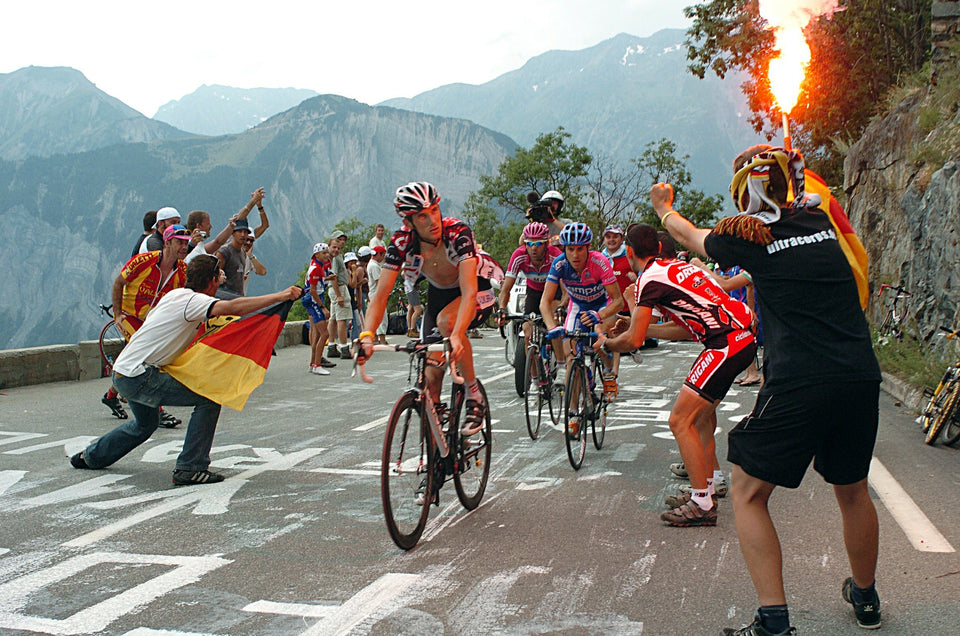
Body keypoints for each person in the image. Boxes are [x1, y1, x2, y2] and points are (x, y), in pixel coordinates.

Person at [653, 146, 882, 634]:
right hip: (859, 374)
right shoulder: (822, 225)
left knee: (748, 491)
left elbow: (688, 236)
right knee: (853, 490)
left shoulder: (752, 237)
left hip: (800, 380)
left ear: (746, 194)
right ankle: (866, 599)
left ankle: (773, 622)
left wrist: (664, 207)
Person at [71, 255, 302, 485]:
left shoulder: (174, 295)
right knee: (209, 398)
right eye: (218, 277)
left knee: (145, 424)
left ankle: (91, 456)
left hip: (123, 371)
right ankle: (190, 468)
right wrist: (281, 295)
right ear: (212, 280)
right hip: (140, 375)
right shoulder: (194, 302)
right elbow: (233, 307)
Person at [595, 223, 755, 528]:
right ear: (657, 248)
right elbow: (685, 328)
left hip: (725, 345)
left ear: (629, 252)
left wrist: (607, 343)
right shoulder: (676, 268)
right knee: (701, 418)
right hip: (739, 339)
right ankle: (706, 489)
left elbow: (634, 341)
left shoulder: (648, 279)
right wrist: (636, 326)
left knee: (679, 420)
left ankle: (702, 504)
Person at [358, 181, 501, 438]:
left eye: (435, 210)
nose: (433, 220)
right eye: (423, 216)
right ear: (409, 223)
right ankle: (438, 456)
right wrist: (367, 335)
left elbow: (469, 293)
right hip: (440, 294)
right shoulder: (402, 242)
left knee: (448, 323)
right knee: (431, 375)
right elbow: (380, 296)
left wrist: (457, 335)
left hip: (475, 291)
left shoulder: (458, 232)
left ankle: (473, 394)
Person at [102, 224, 193, 425]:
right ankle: (157, 410)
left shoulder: (183, 270)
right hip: (131, 316)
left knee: (138, 357)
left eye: (186, 243)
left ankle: (110, 396)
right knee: (148, 356)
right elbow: (118, 283)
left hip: (153, 321)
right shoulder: (143, 262)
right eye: (179, 242)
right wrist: (118, 314)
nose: (184, 247)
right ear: (167, 242)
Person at [540, 222, 624, 434]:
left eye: (580, 249)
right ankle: (574, 412)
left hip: (602, 305)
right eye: (570, 249)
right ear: (564, 249)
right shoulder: (559, 265)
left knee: (598, 339)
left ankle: (607, 371)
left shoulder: (600, 262)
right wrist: (552, 328)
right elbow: (545, 302)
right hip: (577, 305)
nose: (575, 254)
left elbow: (618, 301)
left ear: (588, 248)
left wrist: (600, 315)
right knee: (571, 358)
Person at [496, 221, 564, 378]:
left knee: (553, 323)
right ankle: (534, 381)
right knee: (527, 334)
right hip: (533, 292)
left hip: (554, 292)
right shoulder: (519, 256)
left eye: (539, 243)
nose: (534, 248)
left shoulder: (555, 256)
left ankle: (561, 366)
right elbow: (506, 289)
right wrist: (501, 309)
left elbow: (566, 287)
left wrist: (562, 305)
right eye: (530, 243)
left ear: (547, 243)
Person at [302, 243, 334, 375]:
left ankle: (312, 363)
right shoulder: (315, 268)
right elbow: (313, 290)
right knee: (324, 333)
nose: (327, 255)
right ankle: (317, 364)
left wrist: (327, 278)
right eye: (324, 253)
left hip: (314, 298)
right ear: (317, 255)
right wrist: (323, 307)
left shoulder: (317, 266)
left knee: (317, 334)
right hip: (314, 300)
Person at [325, 235, 352, 359]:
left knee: (333, 318)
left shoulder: (334, 257)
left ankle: (331, 345)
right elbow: (334, 276)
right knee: (342, 319)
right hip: (339, 288)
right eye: (339, 240)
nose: (342, 242)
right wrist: (339, 295)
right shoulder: (336, 258)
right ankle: (344, 347)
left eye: (343, 240)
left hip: (333, 289)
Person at [365, 245, 389, 344]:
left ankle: (374, 337)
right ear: (379, 254)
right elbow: (379, 282)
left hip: (373, 294)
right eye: (383, 255)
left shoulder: (371, 264)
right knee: (382, 317)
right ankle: (382, 339)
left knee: (375, 316)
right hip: (377, 294)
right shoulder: (374, 266)